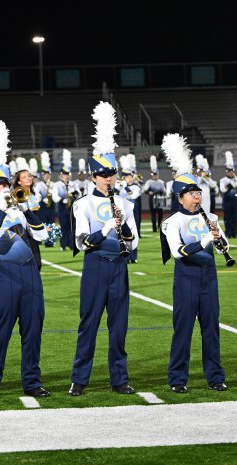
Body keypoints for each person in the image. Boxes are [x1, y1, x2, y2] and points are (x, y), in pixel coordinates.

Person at [0, 120, 50, 400]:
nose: (2, 188)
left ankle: (32, 381)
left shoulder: (20, 211)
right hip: (5, 279)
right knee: (0, 332)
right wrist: (4, 211)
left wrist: (26, 208)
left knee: (33, 333)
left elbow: (41, 237)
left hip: (31, 278)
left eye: (5, 183)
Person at [69, 101, 138, 396]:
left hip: (119, 267)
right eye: (103, 174)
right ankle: (80, 379)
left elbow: (134, 241)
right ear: (93, 176)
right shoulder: (82, 204)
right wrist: (108, 227)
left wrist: (122, 228)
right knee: (89, 324)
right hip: (95, 265)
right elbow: (83, 242)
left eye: (112, 173)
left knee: (119, 327)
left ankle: (119, 379)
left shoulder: (125, 203)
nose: (109, 178)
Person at [160, 133, 227, 393]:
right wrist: (204, 240)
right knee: (183, 330)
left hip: (209, 278)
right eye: (191, 194)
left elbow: (222, 248)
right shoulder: (172, 222)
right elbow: (177, 252)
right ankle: (177, 379)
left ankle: (215, 377)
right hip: (186, 279)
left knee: (211, 330)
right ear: (180, 198)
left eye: (198, 192)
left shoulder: (210, 216)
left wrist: (220, 242)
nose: (197, 197)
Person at [13, 157, 44, 269]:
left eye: (29, 176)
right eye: (24, 177)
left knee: (37, 264)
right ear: (19, 181)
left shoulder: (34, 195)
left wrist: (43, 227)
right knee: (26, 264)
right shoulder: (18, 194)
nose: (28, 178)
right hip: (23, 232)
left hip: (34, 231)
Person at [51, 159, 73, 251]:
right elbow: (54, 196)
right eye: (65, 175)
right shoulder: (57, 185)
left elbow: (79, 193)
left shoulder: (73, 184)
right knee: (64, 226)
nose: (66, 176)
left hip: (71, 207)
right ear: (61, 176)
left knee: (71, 226)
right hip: (62, 207)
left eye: (68, 174)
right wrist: (62, 200)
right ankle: (63, 245)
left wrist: (74, 194)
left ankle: (71, 244)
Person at [142, 157, 166, 232]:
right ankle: (154, 228)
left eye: (156, 174)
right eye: (154, 175)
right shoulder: (149, 182)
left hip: (159, 198)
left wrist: (161, 192)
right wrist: (149, 192)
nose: (155, 176)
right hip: (152, 199)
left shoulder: (161, 182)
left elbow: (164, 191)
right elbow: (144, 190)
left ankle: (159, 227)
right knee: (153, 214)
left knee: (160, 213)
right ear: (152, 175)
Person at [219, 163, 237, 238]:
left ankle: (234, 233)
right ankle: (228, 233)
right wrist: (229, 185)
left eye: (232, 171)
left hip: (236, 201)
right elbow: (222, 190)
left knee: (235, 218)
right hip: (227, 201)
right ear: (227, 172)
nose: (231, 173)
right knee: (227, 218)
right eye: (229, 171)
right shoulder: (223, 180)